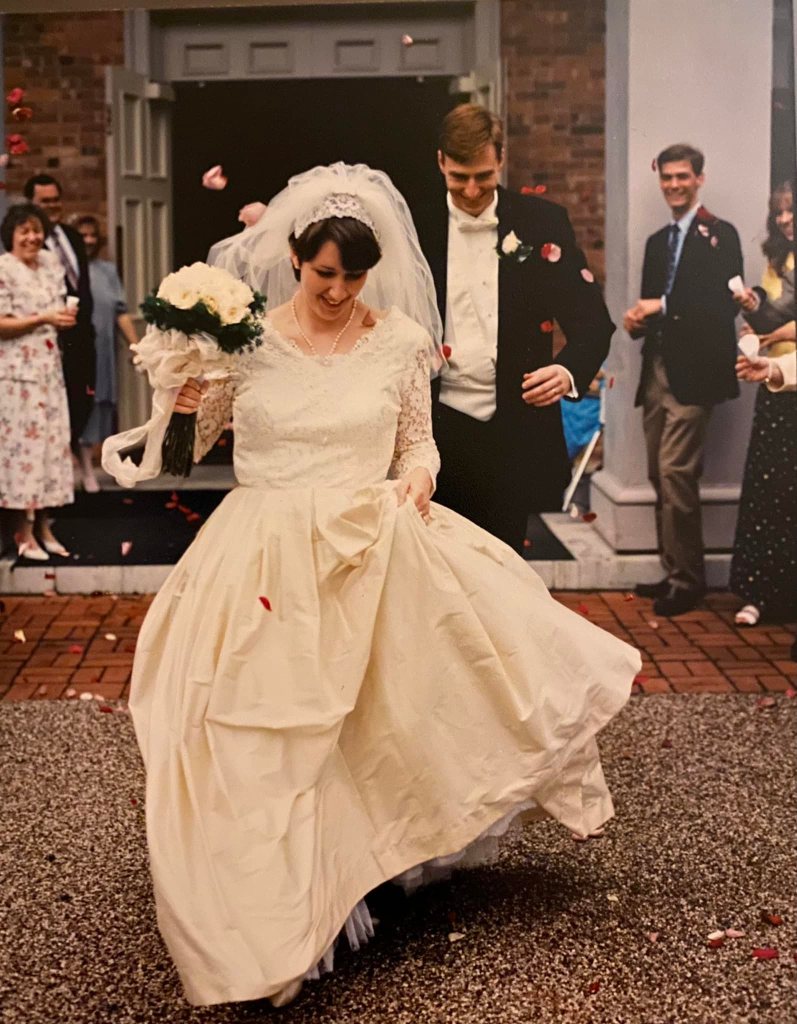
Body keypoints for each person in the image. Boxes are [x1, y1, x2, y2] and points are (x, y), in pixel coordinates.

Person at [111, 164, 640, 1009]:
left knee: (377, 717)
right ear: (293, 257)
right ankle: (272, 915)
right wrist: (183, 396)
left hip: (369, 537)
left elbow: (417, 444)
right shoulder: (244, 340)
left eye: (353, 276)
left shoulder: (398, 340)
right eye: (324, 273)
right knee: (267, 728)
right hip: (264, 553)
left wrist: (417, 481)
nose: (338, 290)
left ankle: (360, 869)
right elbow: (185, 454)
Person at [415, 104, 614, 553]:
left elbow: (592, 323)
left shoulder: (542, 223)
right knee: (435, 566)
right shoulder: (413, 223)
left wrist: (565, 371)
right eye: (459, 177)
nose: (471, 191)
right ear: (441, 161)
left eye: (483, 176)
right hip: (434, 430)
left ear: (502, 159)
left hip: (513, 434)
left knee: (504, 566)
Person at [623, 143, 743, 617]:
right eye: (667, 177)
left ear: (699, 179)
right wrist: (637, 322)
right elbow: (652, 309)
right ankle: (673, 568)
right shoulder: (658, 242)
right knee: (660, 474)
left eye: (682, 177)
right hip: (656, 372)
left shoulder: (721, 235)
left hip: (696, 376)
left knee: (677, 474)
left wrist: (663, 306)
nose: (674, 185)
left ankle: (688, 582)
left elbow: (723, 305)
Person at [729, 183, 796, 627]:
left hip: (789, 373)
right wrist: (753, 316)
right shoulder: (777, 260)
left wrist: (782, 330)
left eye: (792, 211)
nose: (785, 220)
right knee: (768, 491)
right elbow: (772, 316)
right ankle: (759, 592)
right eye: (779, 212)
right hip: (775, 384)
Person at [0, 203, 75, 559]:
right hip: (17, 372)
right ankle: (22, 530)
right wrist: (43, 318)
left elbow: (57, 308)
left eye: (37, 230)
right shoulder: (4, 268)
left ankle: (44, 525)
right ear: (11, 236)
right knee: (23, 450)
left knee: (50, 447)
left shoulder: (49, 263)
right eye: (24, 231)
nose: (32, 238)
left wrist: (62, 318)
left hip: (48, 370)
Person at [23, 174, 96, 481]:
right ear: (31, 204)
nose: (52, 206)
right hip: (49, 336)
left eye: (55, 200)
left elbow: (82, 285)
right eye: (45, 201)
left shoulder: (72, 236)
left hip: (82, 335)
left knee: (83, 401)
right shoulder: (27, 244)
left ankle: (71, 455)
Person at [73, 215, 138, 491]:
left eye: (92, 235)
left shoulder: (108, 271)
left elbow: (120, 312)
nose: (88, 241)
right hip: (78, 350)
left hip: (104, 349)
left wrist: (135, 346)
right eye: (82, 236)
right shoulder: (68, 269)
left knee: (105, 403)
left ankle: (109, 463)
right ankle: (85, 466)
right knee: (83, 402)